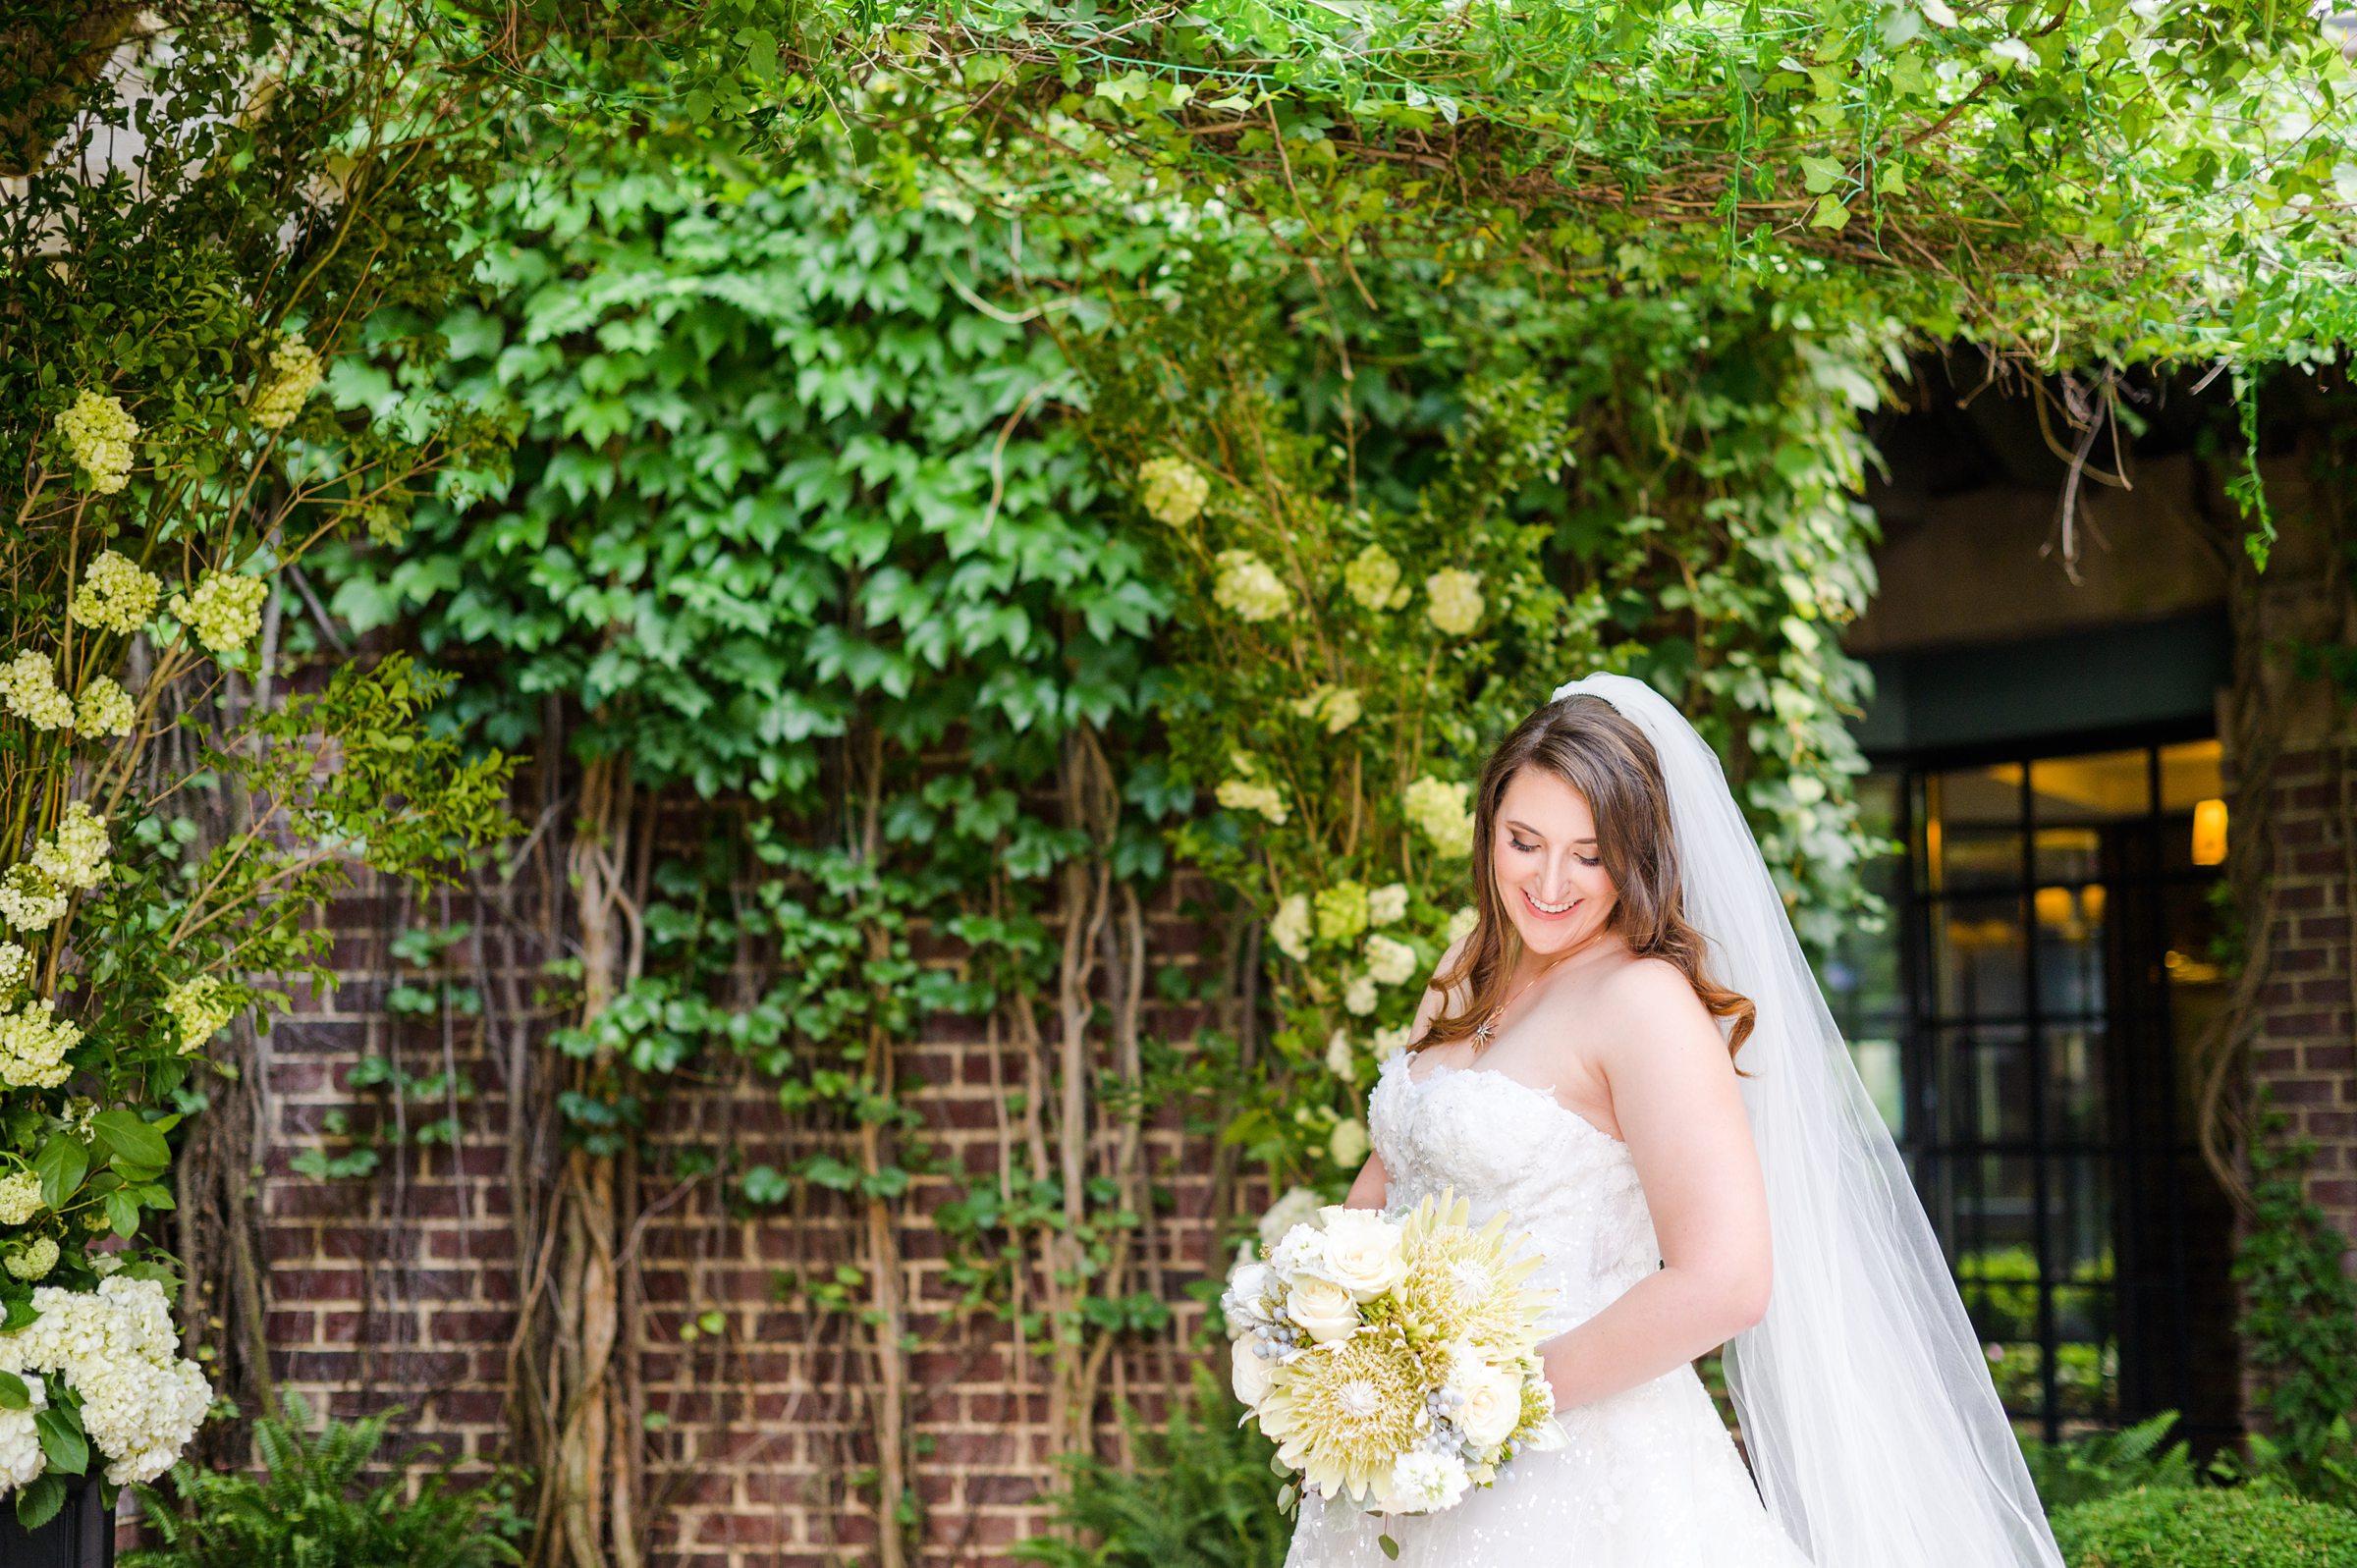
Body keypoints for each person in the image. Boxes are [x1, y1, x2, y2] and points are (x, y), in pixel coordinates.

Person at [1283, 674, 2066, 1568]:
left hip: (1569, 1471)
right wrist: (1326, 1340)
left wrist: (1489, 1402)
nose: (1547, 881)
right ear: (1488, 831)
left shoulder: (1643, 1002)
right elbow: (1396, 1168)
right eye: (1523, 841)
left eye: (1588, 853)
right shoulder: (1469, 961)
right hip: (1394, 1453)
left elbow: (1725, 1280)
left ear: (1638, 852)